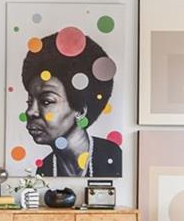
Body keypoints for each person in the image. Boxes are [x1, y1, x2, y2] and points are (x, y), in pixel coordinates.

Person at [19, 30, 122, 177]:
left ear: (80, 110)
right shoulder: (46, 168)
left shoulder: (112, 158)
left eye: (46, 101)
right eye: (29, 102)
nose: (30, 112)